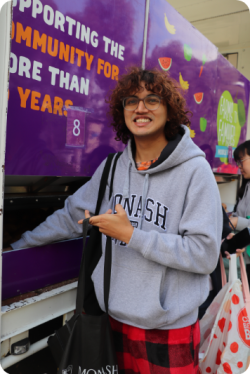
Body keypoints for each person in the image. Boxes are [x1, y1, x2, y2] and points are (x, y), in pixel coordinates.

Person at [8, 67, 223, 374]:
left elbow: (204, 255)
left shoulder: (194, 172)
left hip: (166, 327)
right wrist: (19, 247)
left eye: (152, 99)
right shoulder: (112, 168)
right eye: (131, 101)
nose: (140, 107)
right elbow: (71, 217)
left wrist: (132, 235)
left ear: (169, 109)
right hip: (111, 322)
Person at [230, 140, 250, 282]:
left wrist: (237, 221)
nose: (239, 166)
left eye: (241, 161)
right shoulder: (246, 186)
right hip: (244, 258)